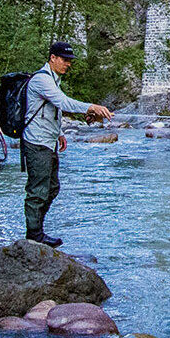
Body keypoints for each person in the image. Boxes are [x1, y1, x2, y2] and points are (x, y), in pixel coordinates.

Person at [22, 40, 111, 247]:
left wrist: (60, 132)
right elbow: (62, 102)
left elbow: (52, 110)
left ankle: (38, 231)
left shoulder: (54, 79)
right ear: (52, 58)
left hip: (49, 141)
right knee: (37, 191)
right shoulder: (41, 80)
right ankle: (33, 235)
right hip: (37, 142)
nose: (68, 64)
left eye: (70, 61)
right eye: (65, 60)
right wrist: (91, 107)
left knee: (52, 188)